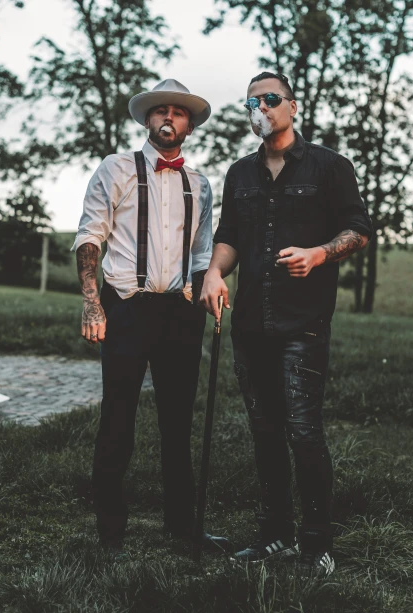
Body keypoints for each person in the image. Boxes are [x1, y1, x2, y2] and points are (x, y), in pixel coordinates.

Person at [200, 72, 373, 577]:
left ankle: (316, 543)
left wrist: (320, 253)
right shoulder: (240, 174)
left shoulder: (329, 167)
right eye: (252, 101)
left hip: (304, 322)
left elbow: (359, 229)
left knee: (303, 431)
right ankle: (275, 534)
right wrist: (214, 272)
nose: (261, 107)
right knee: (265, 431)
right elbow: (229, 236)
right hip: (251, 323)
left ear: (292, 107)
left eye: (270, 99)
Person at [72, 78, 229, 557]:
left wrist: (211, 285)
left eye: (178, 113)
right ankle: (111, 533)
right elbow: (89, 235)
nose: (169, 118)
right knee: (117, 419)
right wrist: (92, 301)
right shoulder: (115, 168)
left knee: (177, 423)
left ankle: (183, 527)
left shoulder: (199, 184)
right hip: (126, 307)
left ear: (188, 125)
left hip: (181, 313)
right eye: (160, 111)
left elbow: (202, 252)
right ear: (147, 120)